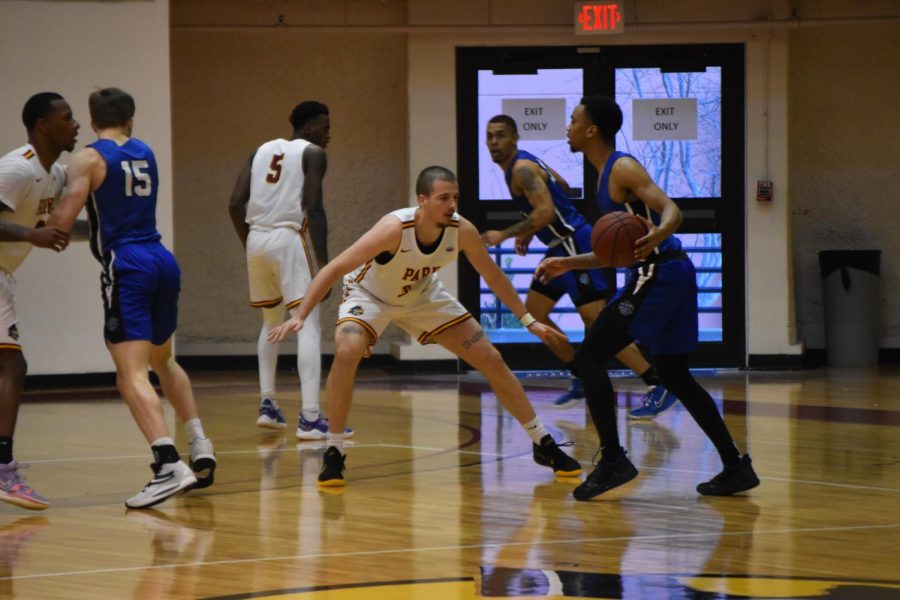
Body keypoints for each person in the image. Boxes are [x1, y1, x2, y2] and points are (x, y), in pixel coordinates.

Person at [269, 166, 582, 487]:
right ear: (422, 200)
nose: (452, 205)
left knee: (490, 358)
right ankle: (333, 450)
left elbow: (494, 277)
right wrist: (300, 314)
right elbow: (334, 268)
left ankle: (542, 443)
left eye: (455, 198)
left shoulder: (462, 231)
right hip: (369, 295)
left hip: (421, 294)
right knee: (347, 351)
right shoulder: (393, 229)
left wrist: (529, 321)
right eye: (443, 198)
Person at [536, 96, 759, 501]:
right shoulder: (601, 174)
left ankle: (613, 461)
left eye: (572, 120)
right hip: (665, 271)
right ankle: (735, 467)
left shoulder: (622, 166)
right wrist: (567, 265)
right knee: (674, 375)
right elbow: (615, 251)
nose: (566, 127)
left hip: (661, 272)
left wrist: (660, 231)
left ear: (591, 130)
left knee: (589, 358)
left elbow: (670, 208)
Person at [47, 87, 216, 509]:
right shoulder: (146, 151)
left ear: (90, 119)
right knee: (164, 360)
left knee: (130, 374)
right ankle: (199, 443)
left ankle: (166, 464)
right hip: (161, 258)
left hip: (129, 265)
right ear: (131, 120)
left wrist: (34, 219)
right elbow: (112, 213)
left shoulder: (87, 157)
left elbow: (61, 225)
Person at [482, 114, 677, 416]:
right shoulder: (524, 165)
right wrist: (532, 231)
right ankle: (580, 375)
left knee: (597, 323)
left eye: (501, 135)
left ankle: (656, 381)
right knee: (534, 313)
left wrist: (506, 234)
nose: (494, 142)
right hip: (558, 247)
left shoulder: (521, 169)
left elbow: (546, 210)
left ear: (514, 139)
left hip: (574, 242)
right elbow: (561, 183)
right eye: (490, 136)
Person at [228, 101, 351, 440]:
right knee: (307, 322)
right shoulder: (312, 153)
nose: (329, 134)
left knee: (270, 322)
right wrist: (325, 265)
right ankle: (310, 417)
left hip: (256, 239)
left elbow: (235, 203)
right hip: (286, 237)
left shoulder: (260, 150)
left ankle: (268, 404)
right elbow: (314, 205)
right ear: (309, 127)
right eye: (325, 127)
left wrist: (250, 246)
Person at [0, 92, 80, 510]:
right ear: (44, 124)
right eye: (68, 117)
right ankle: (2, 466)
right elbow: (31, 229)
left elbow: (60, 226)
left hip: (4, 274)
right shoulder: (18, 168)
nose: (76, 124)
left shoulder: (55, 174)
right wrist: (32, 236)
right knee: (11, 363)